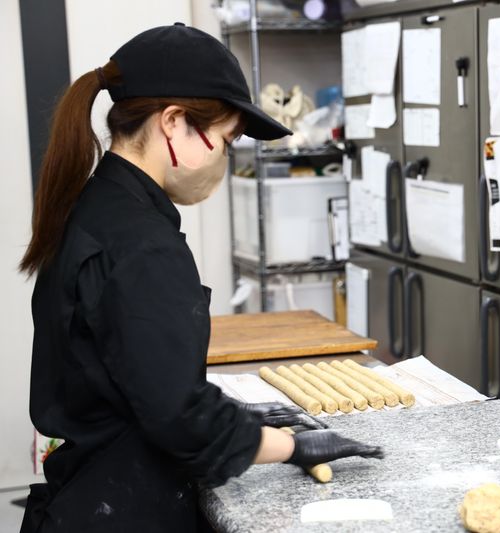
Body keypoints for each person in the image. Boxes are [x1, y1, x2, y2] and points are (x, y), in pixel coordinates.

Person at [19, 23, 383, 532]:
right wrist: (292, 446)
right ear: (173, 122)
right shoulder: (143, 243)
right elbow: (179, 419)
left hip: (89, 491)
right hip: (123, 509)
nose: (223, 158)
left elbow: (131, 373)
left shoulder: (98, 207)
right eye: (226, 140)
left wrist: (238, 416)